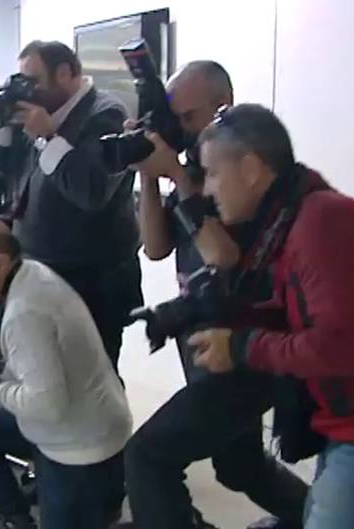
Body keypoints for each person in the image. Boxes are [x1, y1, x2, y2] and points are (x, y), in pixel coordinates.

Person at [187, 103, 354, 529]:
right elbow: (294, 315)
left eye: (212, 173)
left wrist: (241, 346)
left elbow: (340, 347)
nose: (207, 189)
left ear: (251, 169)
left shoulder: (320, 223)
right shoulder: (292, 222)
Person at [125, 63, 308, 529]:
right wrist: (149, 174)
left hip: (246, 346)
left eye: (187, 116)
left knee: (148, 455)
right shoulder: (192, 170)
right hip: (205, 334)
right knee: (238, 467)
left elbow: (223, 255)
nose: (179, 128)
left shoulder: (243, 173)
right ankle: (324, 519)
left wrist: (179, 178)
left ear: (220, 108)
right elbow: (157, 246)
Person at [0, 218, 132, 529]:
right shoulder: (27, 275)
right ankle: (16, 518)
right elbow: (16, 347)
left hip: (80, 447)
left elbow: (47, 404)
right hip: (77, 420)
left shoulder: (24, 311)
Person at [0, 40, 143, 370]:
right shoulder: (35, 115)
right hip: (36, 273)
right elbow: (8, 175)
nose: (26, 91)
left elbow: (91, 190)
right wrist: (3, 128)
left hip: (92, 285)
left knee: (91, 382)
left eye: (32, 81)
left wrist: (48, 137)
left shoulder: (106, 114)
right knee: (40, 375)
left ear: (65, 74)